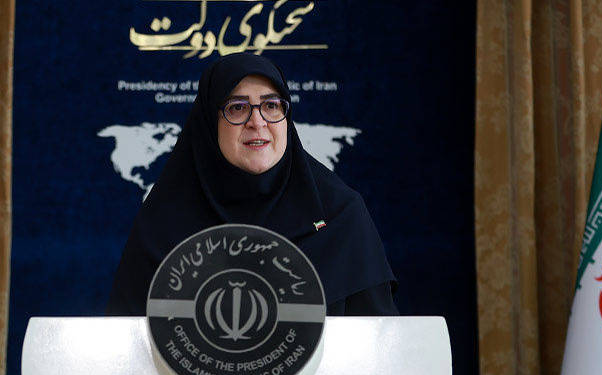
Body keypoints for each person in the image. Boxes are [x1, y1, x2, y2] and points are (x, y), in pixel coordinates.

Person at [107, 53, 397, 316]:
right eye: (237, 107)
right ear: (210, 122)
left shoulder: (339, 216)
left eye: (271, 105)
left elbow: (380, 343)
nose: (257, 122)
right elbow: (126, 343)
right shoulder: (163, 225)